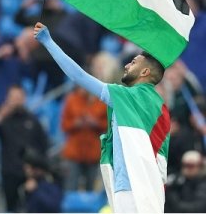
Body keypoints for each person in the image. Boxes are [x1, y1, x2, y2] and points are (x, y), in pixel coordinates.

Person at [34, 22, 169, 213]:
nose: (126, 64)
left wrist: (48, 42)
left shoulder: (128, 96)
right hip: (148, 188)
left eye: (133, 63)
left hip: (133, 189)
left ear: (145, 72)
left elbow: (78, 76)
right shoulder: (159, 104)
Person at [0, 85, 49, 212]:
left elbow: (43, 146)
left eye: (18, 97)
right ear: (7, 99)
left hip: (30, 174)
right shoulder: (3, 119)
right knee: (11, 208)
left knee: (33, 208)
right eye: (12, 97)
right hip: (9, 173)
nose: (16, 100)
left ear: (24, 99)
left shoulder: (33, 120)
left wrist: (37, 174)